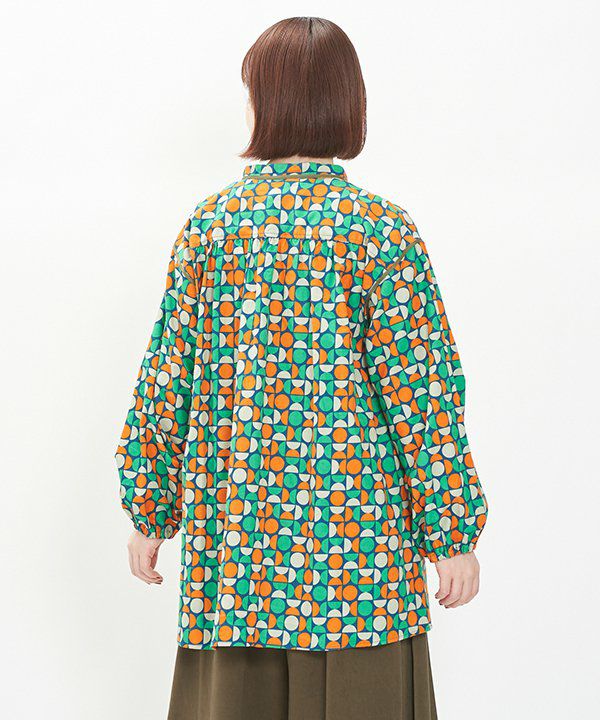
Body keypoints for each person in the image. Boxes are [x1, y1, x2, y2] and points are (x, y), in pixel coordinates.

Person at [115, 16, 488, 720]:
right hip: (360, 566)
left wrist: (150, 510)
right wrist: (452, 534)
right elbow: (424, 397)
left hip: (238, 560)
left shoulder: (212, 228)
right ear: (349, 104)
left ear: (265, 103)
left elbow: (167, 378)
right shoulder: (380, 230)